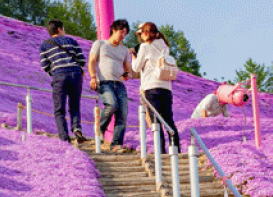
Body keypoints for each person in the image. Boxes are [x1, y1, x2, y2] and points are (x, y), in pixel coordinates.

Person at [131, 22, 180, 154]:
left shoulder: (145, 47)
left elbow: (136, 68)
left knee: (156, 122)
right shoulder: (164, 46)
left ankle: (161, 152)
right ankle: (176, 149)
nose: (140, 36)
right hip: (166, 87)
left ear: (146, 33)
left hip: (151, 87)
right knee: (169, 120)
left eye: (141, 33)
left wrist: (133, 57)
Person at [88, 19, 135, 152]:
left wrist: (127, 74)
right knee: (111, 105)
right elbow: (91, 61)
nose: (123, 35)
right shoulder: (100, 44)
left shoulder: (125, 50)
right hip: (104, 82)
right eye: (121, 32)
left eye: (125, 33)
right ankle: (100, 129)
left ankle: (116, 144)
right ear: (114, 30)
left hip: (119, 84)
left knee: (123, 114)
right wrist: (93, 77)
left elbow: (128, 68)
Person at [39, 19, 88, 144]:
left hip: (59, 75)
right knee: (74, 105)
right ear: (60, 29)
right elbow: (82, 60)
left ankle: (65, 139)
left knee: (59, 109)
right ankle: (77, 128)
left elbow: (45, 65)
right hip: (75, 74)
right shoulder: (71, 41)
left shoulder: (44, 45)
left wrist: (54, 72)